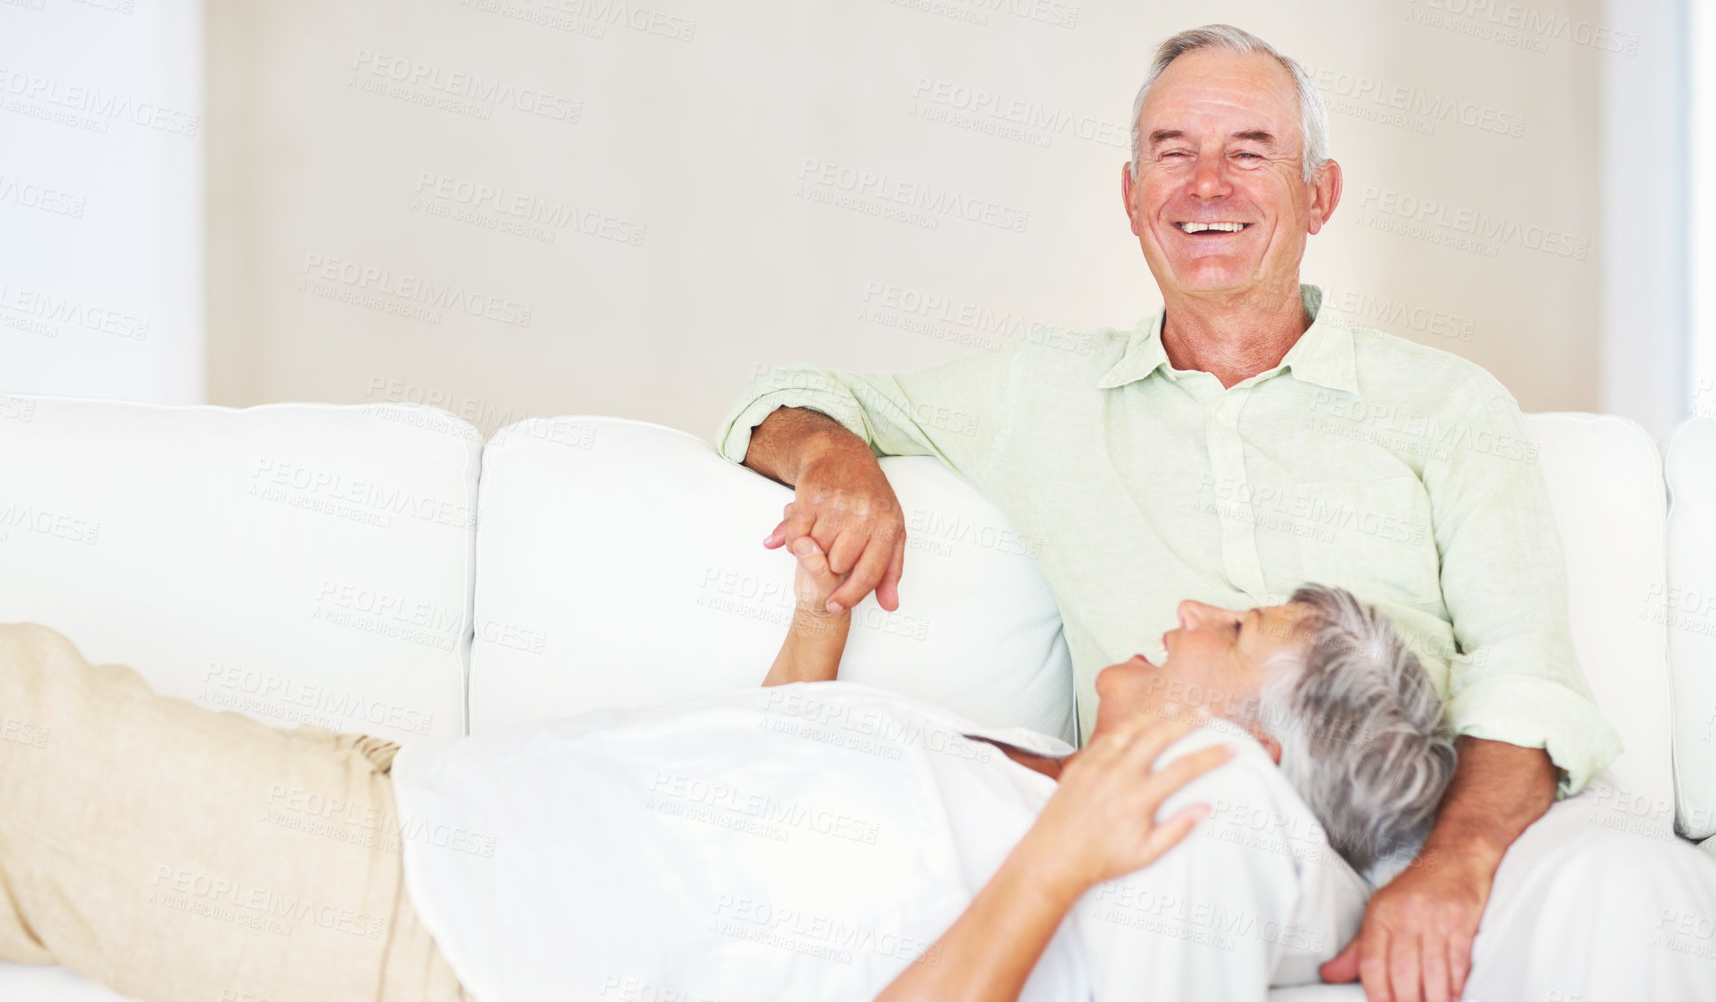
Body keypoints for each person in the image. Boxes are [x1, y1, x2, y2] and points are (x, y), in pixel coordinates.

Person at [715, 24, 1716, 1000]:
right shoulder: (1043, 391)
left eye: (1251, 152)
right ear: (1131, 196)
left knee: (1635, 884)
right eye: (1173, 154)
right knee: (1192, 833)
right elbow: (789, 398)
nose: (1207, 185)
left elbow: (1523, 677)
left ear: (1318, 195)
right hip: (1219, 804)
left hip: (1446, 813)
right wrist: (834, 456)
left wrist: (1449, 868)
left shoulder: (1445, 402)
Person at [0, 547, 1452, 1001]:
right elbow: (740, 839)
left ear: (1261, 746)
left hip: (411, 917)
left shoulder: (1185, 848)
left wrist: (1062, 854)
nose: (1192, 612)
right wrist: (817, 623)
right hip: (417, 820)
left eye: (1238, 628)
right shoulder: (1084, 793)